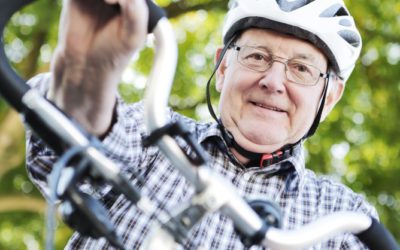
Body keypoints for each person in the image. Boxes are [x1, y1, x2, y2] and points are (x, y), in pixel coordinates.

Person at [26, 0, 378, 249]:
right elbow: (70, 145)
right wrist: (86, 73)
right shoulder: (151, 134)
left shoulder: (344, 220)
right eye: (257, 56)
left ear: (328, 97)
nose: (274, 81)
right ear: (223, 68)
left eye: (301, 68)